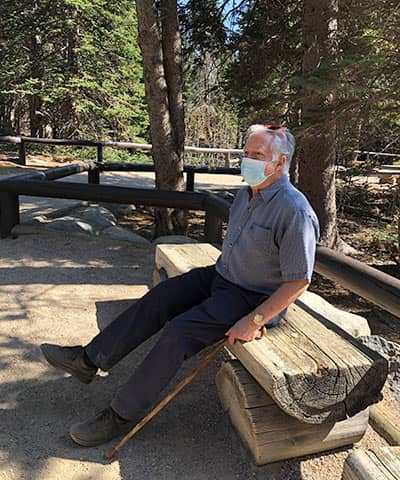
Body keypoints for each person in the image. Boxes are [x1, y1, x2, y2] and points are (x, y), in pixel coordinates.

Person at [41, 124, 320, 447]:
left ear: (280, 162)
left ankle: (120, 415)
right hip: (222, 276)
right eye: (245, 153)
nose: (247, 161)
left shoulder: (294, 210)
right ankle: (88, 360)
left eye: (256, 155)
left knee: (179, 332)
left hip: (253, 298)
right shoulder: (247, 194)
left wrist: (255, 320)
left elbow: (300, 280)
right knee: (161, 297)